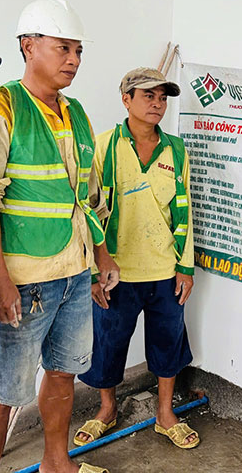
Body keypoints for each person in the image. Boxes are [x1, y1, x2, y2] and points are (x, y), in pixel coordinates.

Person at [0, 0, 120, 473]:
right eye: (62, 48)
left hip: (74, 273)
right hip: (22, 280)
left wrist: (100, 257)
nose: (73, 59)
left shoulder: (75, 113)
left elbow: (87, 197)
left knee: (64, 372)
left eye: (78, 50)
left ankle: (56, 465)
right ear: (28, 47)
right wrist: (0, 281)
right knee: (5, 388)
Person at [73, 67, 198, 450]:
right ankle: (107, 409)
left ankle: (165, 413)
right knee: (108, 344)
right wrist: (93, 272)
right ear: (126, 100)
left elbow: (185, 211)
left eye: (162, 97)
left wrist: (185, 267)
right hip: (116, 272)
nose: (157, 104)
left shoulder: (175, 150)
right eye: (148, 96)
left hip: (164, 269)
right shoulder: (103, 146)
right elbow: (86, 211)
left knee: (167, 341)